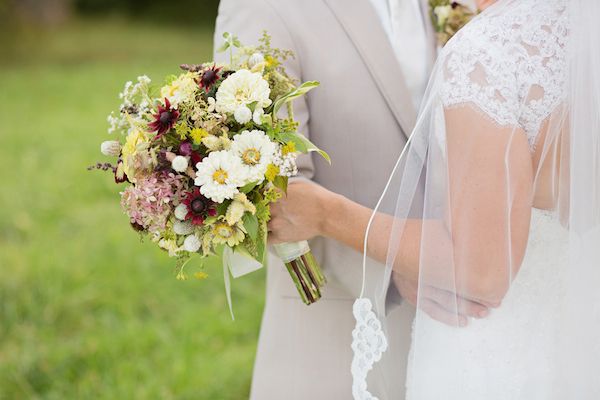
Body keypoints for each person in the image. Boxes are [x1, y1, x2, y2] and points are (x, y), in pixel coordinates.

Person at [270, 0, 600, 398]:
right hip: (575, 340)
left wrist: (326, 213)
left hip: (488, 353)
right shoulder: (584, 43)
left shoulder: (488, 53)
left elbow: (481, 273)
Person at [213, 0, 485, 398]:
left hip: (467, 332)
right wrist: (394, 270)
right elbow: (270, 191)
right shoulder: (263, 7)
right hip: (339, 336)